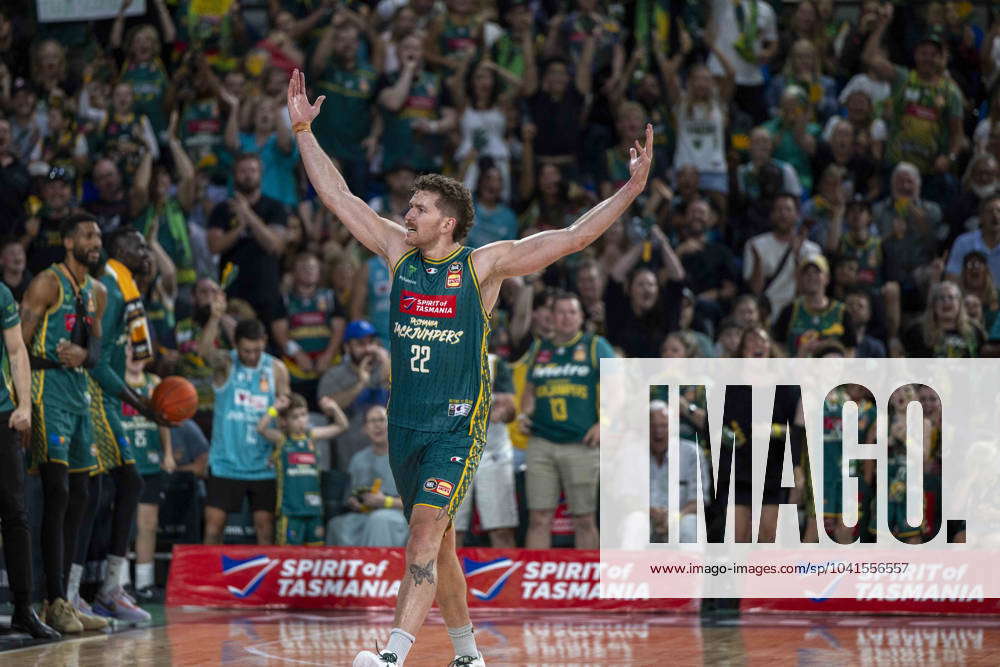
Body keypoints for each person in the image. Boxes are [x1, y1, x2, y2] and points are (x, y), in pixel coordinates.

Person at [288, 68, 653, 667]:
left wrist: (630, 191)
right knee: (442, 547)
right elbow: (338, 195)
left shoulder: (483, 267)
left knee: (424, 534)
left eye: (420, 207)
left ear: (448, 221)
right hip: (405, 422)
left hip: (457, 425)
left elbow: (572, 238)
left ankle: (391, 656)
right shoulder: (396, 252)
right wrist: (303, 128)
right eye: (408, 205)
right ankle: (468, 654)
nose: (407, 213)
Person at [69, 227, 168, 624]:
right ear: (119, 251)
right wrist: (139, 402)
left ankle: (103, 587)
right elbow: (97, 361)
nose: (145, 252)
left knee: (119, 487)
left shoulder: (126, 287)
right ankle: (79, 591)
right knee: (96, 491)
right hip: (90, 396)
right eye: (139, 245)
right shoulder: (109, 289)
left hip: (106, 397)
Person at [20, 214, 108, 633]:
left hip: (80, 395)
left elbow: (98, 349)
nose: (96, 240)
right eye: (88, 235)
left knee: (82, 495)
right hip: (45, 390)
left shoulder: (98, 292)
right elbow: (17, 344)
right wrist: (18, 402)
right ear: (69, 241)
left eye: (98, 235)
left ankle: (67, 599)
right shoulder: (46, 283)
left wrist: (83, 355)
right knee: (57, 492)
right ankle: (50, 598)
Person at [519, 291, 615, 550]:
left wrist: (604, 423)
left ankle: (588, 586)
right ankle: (536, 584)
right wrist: (523, 414)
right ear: (551, 317)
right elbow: (529, 390)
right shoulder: (540, 348)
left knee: (584, 518)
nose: (566, 318)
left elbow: (619, 391)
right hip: (541, 442)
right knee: (538, 518)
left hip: (581, 442)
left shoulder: (596, 346)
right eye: (560, 312)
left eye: (572, 312)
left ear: (581, 317)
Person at [0, 278, 58, 638]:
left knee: (15, 512)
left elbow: (17, 350)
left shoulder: (1, 293)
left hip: (1, 412)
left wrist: (24, 405)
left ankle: (24, 608)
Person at [199, 317, 290, 545]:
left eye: (257, 350)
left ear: (265, 341)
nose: (252, 356)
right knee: (213, 525)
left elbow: (286, 404)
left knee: (265, 526)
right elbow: (204, 353)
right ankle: (211, 575)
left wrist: (282, 409)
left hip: (264, 463)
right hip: (226, 462)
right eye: (246, 351)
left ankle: (266, 578)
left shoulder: (276, 368)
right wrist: (214, 318)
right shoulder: (227, 364)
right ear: (236, 344)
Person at [257, 393, 348, 546]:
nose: (301, 420)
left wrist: (334, 407)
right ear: (284, 421)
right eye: (295, 417)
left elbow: (342, 426)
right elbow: (261, 428)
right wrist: (275, 409)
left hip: (314, 510)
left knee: (315, 556)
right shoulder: (282, 438)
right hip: (290, 511)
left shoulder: (311, 436)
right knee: (287, 557)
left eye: (304, 415)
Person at [122, 344, 174, 602]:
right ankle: (119, 583)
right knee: (120, 523)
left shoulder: (155, 383)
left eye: (139, 351)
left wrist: (168, 452)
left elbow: (164, 421)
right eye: (131, 350)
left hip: (150, 460)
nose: (135, 355)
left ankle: (144, 582)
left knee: (148, 524)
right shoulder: (115, 380)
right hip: (123, 461)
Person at [453, 352, 517, 549]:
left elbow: (511, 410)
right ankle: (449, 581)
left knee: (501, 528)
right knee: (451, 530)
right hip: (454, 451)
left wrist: (502, 412)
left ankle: (508, 579)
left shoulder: (494, 363)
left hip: (493, 453)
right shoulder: (443, 358)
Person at [327, 404, 409, 547]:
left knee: (379, 520)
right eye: (372, 421)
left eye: (381, 420)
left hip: (398, 514)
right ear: (365, 429)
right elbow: (352, 495)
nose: (377, 425)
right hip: (366, 514)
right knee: (337, 525)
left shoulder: (405, 456)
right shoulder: (358, 459)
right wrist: (356, 502)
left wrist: (386, 502)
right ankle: (349, 569)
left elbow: (417, 502)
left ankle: (380, 568)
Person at [649, 400, 708, 543]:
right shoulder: (632, 452)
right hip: (646, 516)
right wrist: (651, 512)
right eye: (653, 426)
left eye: (664, 426)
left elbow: (699, 500)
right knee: (635, 522)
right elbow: (626, 498)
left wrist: (674, 517)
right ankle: (631, 565)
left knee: (690, 524)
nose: (658, 432)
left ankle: (690, 565)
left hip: (680, 516)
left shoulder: (692, 453)